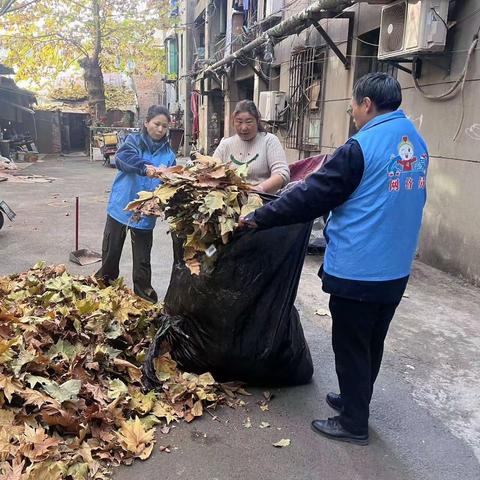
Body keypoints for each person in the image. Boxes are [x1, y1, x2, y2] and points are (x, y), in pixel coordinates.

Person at [240, 73, 429, 445]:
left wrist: (259, 217)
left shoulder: (361, 147)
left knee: (351, 345)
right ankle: (355, 398)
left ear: (367, 105)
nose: (353, 113)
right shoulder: (415, 141)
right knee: (372, 342)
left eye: (354, 106)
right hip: (396, 267)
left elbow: (313, 195)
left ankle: (353, 422)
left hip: (362, 266)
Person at [95, 105, 176, 303]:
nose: (160, 129)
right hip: (121, 208)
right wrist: (144, 168)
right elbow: (123, 159)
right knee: (111, 256)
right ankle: (102, 292)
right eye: (156, 124)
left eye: (164, 126)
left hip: (146, 214)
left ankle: (143, 298)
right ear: (146, 122)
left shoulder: (169, 154)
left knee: (142, 261)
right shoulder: (132, 142)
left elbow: (172, 183)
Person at [213, 100, 290, 193]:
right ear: (233, 122)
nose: (244, 127)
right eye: (239, 122)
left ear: (257, 121)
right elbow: (212, 172)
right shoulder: (225, 145)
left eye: (249, 122)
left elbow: (281, 174)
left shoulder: (269, 141)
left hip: (263, 201)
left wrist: (259, 189)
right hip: (231, 199)